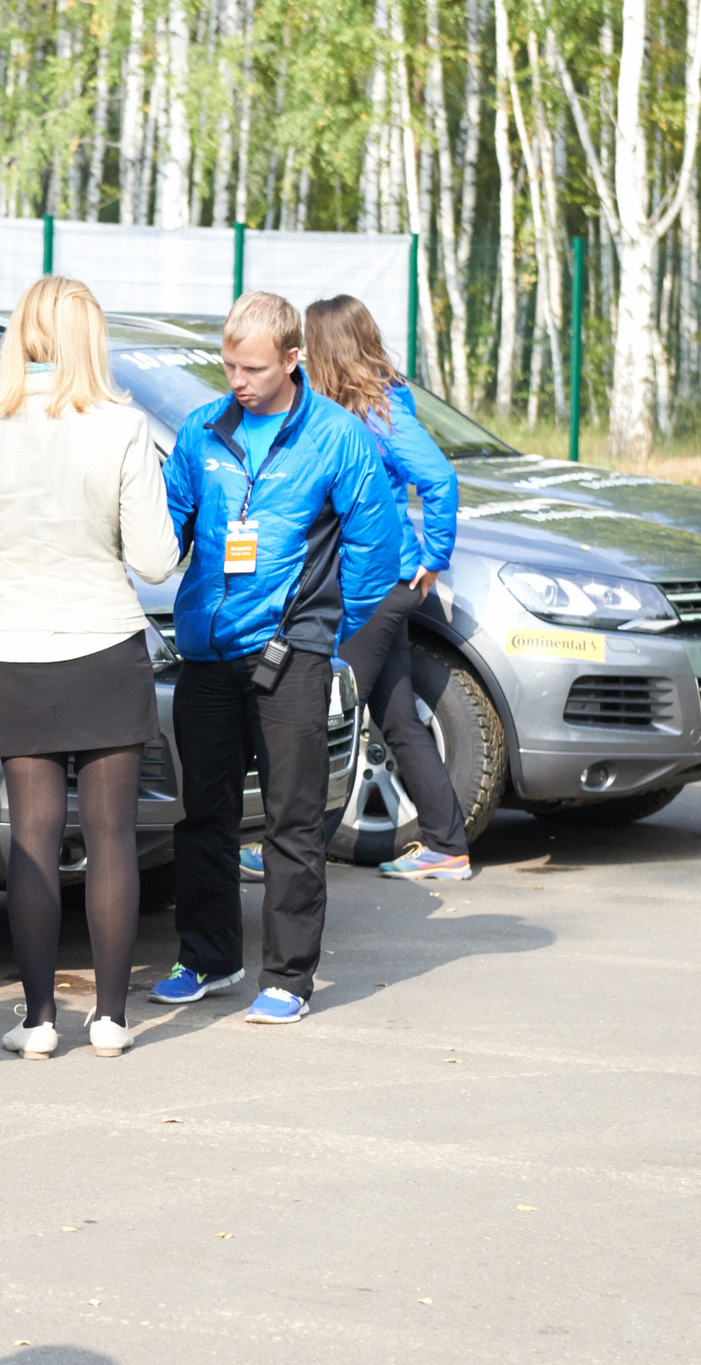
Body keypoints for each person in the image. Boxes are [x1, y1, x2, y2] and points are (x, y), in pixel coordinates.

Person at [0, 276, 179, 1058]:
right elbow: (155, 560)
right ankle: (110, 1017)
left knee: (33, 839)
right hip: (105, 646)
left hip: (12, 651)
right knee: (112, 837)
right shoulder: (122, 425)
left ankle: (39, 1020)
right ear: (89, 339)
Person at [151, 290, 398, 1025]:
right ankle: (207, 957)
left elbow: (375, 550)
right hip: (207, 652)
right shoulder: (200, 431)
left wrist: (324, 630)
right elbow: (164, 532)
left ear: (293, 359)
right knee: (204, 814)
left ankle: (289, 976)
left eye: (253, 368)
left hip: (292, 655)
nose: (238, 380)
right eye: (229, 365)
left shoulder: (337, 436)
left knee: (292, 819)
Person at [301, 294, 473, 880]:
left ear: (328, 349)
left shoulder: (380, 413)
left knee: (325, 713)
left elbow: (439, 478)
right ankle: (447, 845)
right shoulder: (355, 408)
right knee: (397, 719)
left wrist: (434, 558)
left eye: (310, 345)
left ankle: (292, 848)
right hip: (378, 581)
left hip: (373, 586)